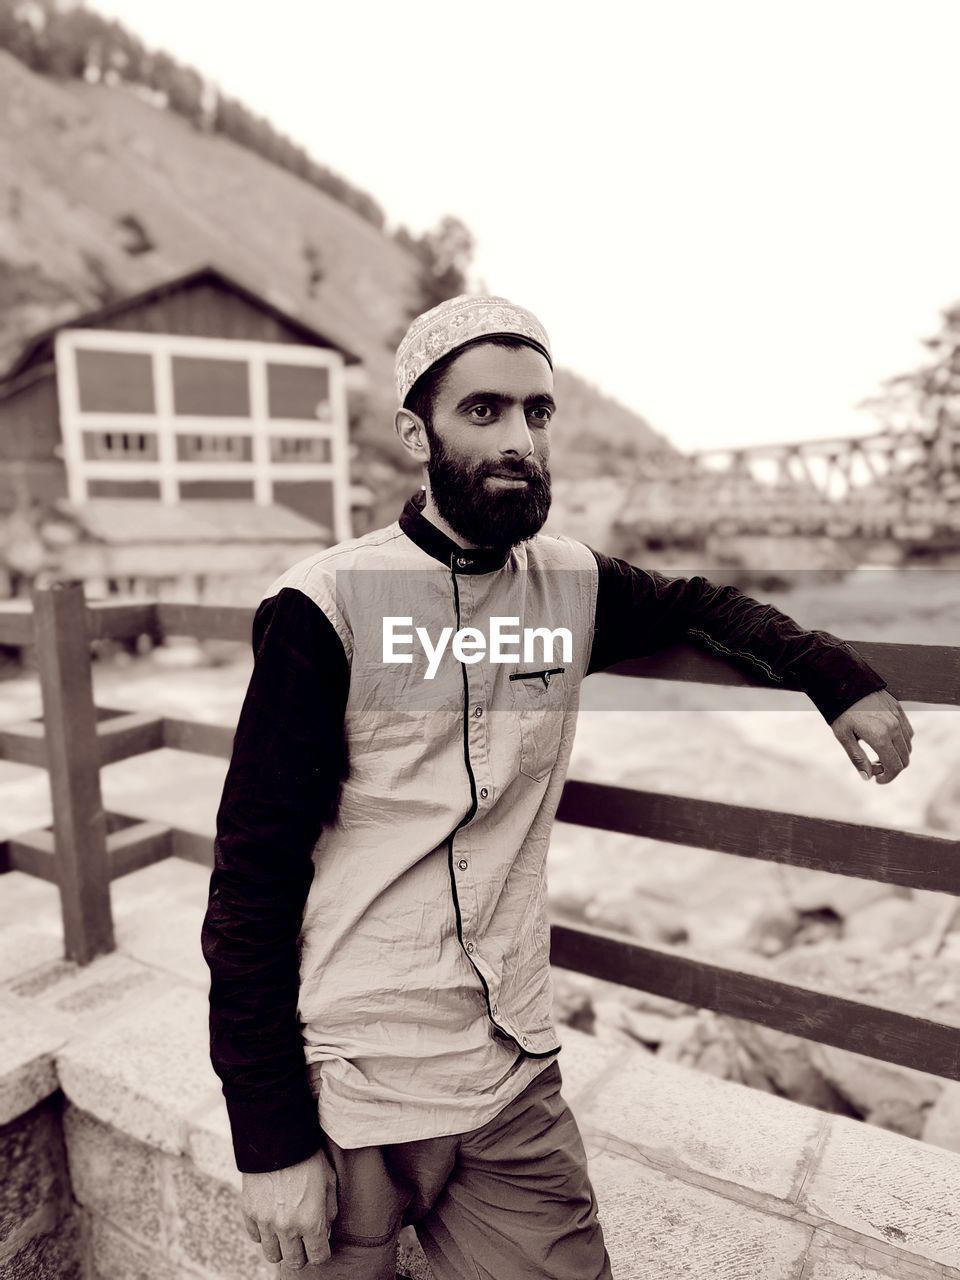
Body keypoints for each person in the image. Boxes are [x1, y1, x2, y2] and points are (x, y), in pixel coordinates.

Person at [201, 295, 914, 1280]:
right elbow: (249, 881)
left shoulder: (572, 584)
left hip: (509, 1074)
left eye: (537, 413)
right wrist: (268, 1136)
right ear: (417, 433)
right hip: (350, 1075)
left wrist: (838, 679)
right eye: (483, 410)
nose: (520, 438)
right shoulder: (325, 607)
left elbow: (706, 606)